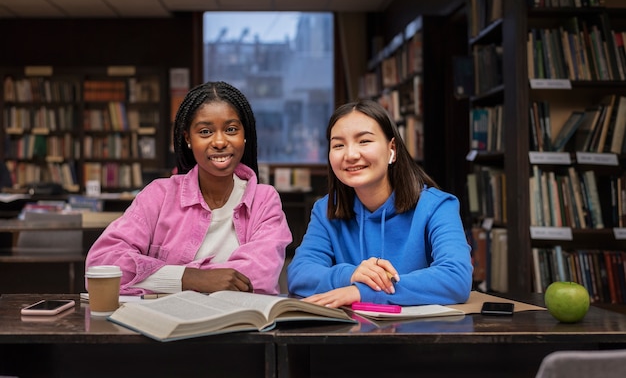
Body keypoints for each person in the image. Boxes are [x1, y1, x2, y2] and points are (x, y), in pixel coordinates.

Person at [86, 81, 292, 295]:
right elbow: (102, 267)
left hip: (240, 325)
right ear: (188, 139)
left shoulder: (264, 200)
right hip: (165, 325)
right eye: (205, 131)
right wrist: (190, 278)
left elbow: (259, 279)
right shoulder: (158, 196)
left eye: (231, 129)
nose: (220, 141)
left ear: (244, 135)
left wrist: (156, 277)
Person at [287, 99, 472, 308]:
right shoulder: (326, 210)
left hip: (422, 335)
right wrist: (351, 274)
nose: (351, 155)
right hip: (349, 334)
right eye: (338, 145)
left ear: (391, 149)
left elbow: (456, 278)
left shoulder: (437, 207)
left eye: (364, 141)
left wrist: (360, 291)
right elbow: (299, 274)